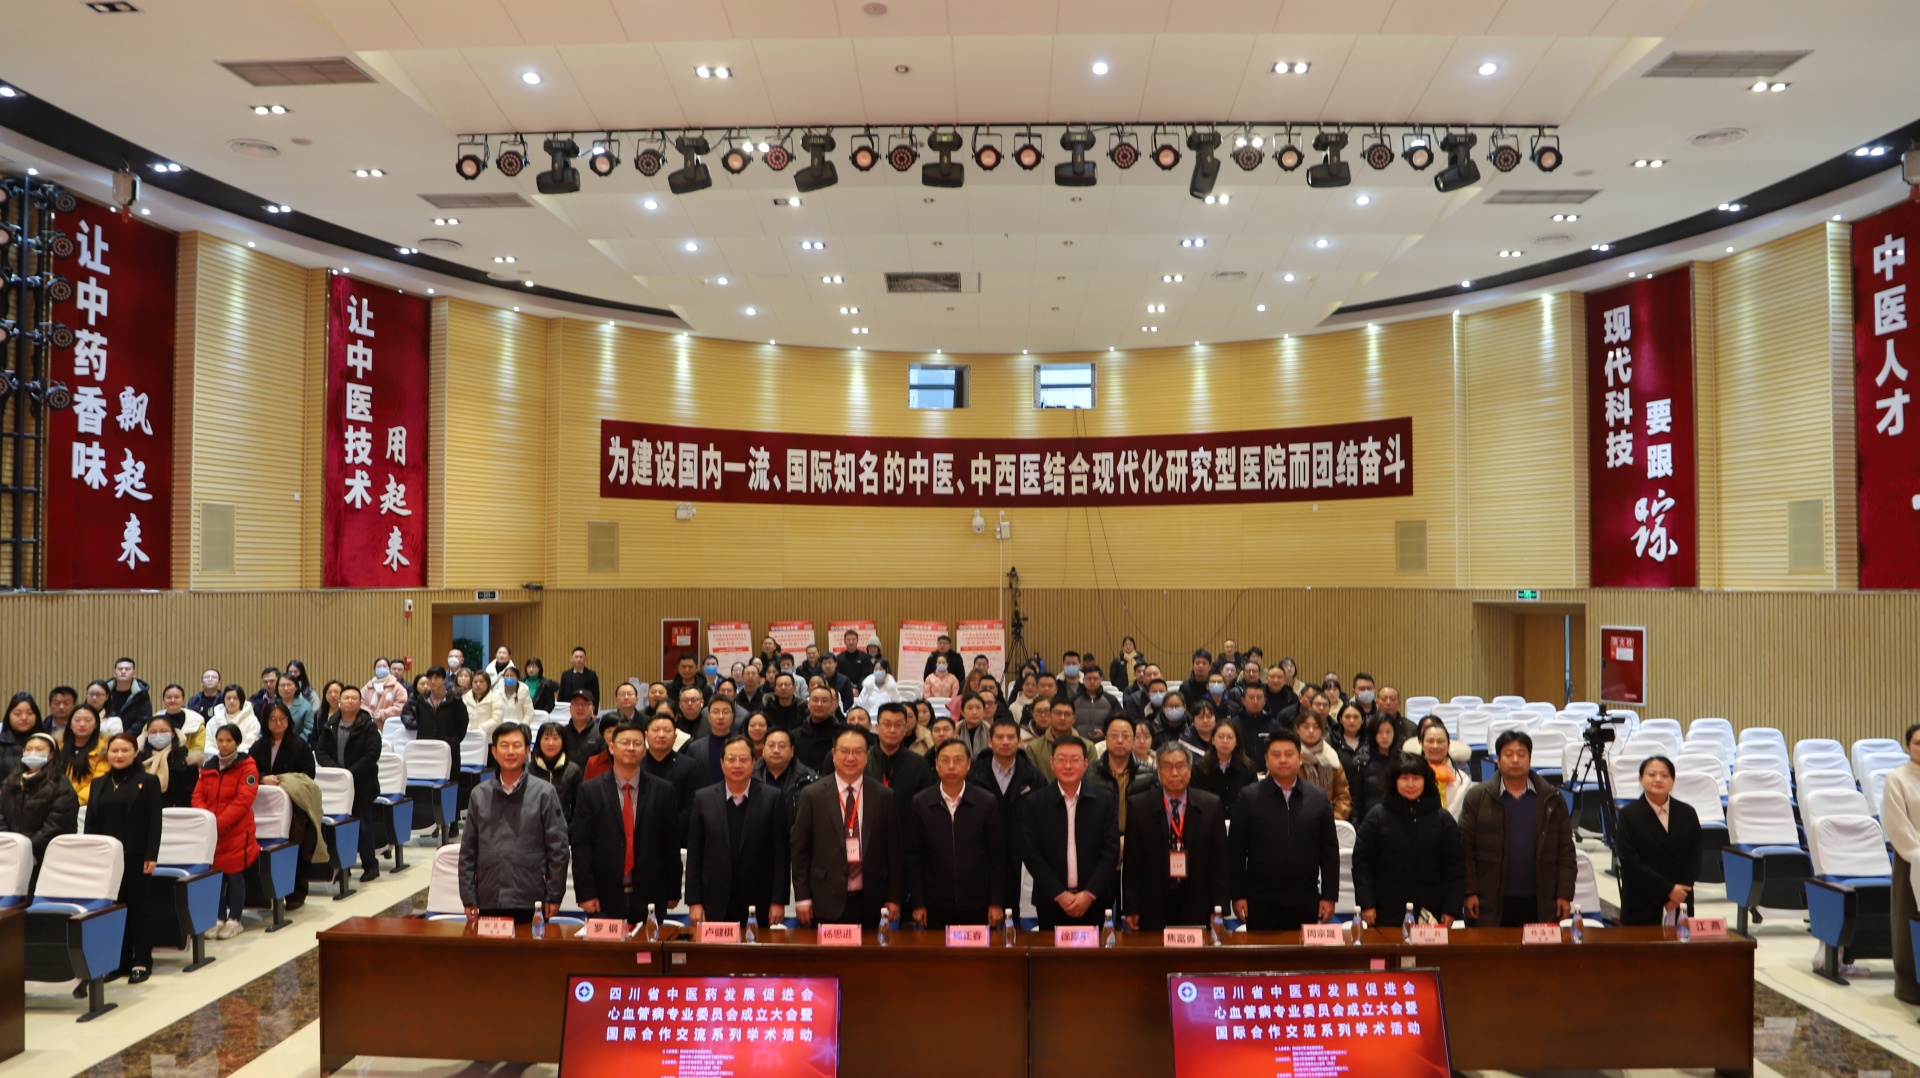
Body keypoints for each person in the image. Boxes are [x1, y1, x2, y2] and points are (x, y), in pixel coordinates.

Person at [1460, 730, 1576, 928]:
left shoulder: (1551, 798)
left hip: (1540, 899)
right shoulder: (1477, 797)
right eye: (1508, 754)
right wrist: (1469, 891)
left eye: (1521, 754)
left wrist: (1564, 894)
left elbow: (1566, 850)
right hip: (1490, 899)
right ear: (1498, 760)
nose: (1515, 760)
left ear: (1530, 759)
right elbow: (1465, 850)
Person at [569, 720, 681, 923]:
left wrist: (673, 891)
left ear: (644, 750)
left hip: (651, 895)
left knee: (648, 946)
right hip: (603, 896)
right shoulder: (590, 790)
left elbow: (670, 845)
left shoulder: (663, 790)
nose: (631, 748)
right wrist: (585, 893)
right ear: (612, 747)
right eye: (624, 742)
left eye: (637, 743)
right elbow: (581, 846)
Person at [792, 726, 902, 929]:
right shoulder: (812, 795)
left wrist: (894, 897)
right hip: (824, 899)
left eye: (858, 751)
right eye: (845, 751)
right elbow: (800, 851)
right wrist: (802, 897)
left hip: (872, 901)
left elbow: (893, 850)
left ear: (867, 755)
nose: (851, 757)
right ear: (834, 754)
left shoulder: (883, 795)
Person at [458, 723, 570, 922]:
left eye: (517, 745)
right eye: (504, 745)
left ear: (527, 751)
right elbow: (468, 851)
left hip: (531, 896)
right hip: (489, 896)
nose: (510, 751)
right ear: (494, 752)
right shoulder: (479, 794)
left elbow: (558, 848)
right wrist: (468, 897)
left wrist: (554, 894)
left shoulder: (544, 792)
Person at [1229, 730, 1340, 930]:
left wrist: (1329, 896)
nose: (1282, 760)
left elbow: (1329, 852)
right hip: (1260, 901)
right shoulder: (1249, 797)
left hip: (1306, 899)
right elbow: (1236, 851)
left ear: (1300, 757)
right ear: (1266, 759)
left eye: (1289, 754)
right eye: (1276, 754)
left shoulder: (1317, 797)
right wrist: (1237, 895)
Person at [1352, 753, 1467, 928]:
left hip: (1431, 912)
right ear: (1394, 781)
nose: (1411, 784)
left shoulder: (1443, 820)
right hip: (1386, 911)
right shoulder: (1376, 817)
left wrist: (1451, 908)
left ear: (1426, 780)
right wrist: (1366, 903)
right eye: (1404, 778)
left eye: (1416, 778)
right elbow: (1362, 864)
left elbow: (1455, 867)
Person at [686, 737, 790, 931]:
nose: (737, 765)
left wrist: (778, 901)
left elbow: (781, 855)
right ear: (721, 763)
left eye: (743, 759)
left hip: (759, 901)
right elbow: (694, 854)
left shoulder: (772, 798)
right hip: (713, 901)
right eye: (731, 759)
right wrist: (694, 901)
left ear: (754, 762)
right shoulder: (703, 798)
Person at [1124, 744, 1229, 932]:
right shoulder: (1138, 806)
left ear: (1190, 769)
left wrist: (1219, 906)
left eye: (1180, 766)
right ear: (1158, 771)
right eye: (1167, 767)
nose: (1174, 773)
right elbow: (1132, 862)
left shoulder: (1211, 805)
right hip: (1153, 903)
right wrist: (1131, 907)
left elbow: (1220, 862)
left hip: (1198, 901)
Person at [84, 732, 163, 982]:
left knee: (139, 908)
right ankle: (119, 961)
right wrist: (91, 853)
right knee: (114, 909)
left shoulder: (147, 781)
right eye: (114, 750)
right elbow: (91, 822)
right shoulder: (99, 783)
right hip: (107, 859)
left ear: (135, 753)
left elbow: (155, 822)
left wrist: (151, 854)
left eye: (125, 750)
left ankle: (142, 960)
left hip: (136, 855)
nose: (119, 755)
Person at [908, 738, 1005, 929]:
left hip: (978, 903)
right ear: (936, 765)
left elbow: (997, 857)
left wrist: (996, 902)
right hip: (935, 904)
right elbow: (914, 857)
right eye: (945, 760)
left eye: (958, 760)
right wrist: (918, 903)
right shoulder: (921, 802)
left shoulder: (986, 802)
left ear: (968, 764)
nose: (951, 766)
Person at [1021, 737, 1118, 929]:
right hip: (1051, 902)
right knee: (1051, 950)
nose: (1067, 766)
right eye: (1061, 759)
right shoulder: (1035, 803)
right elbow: (1031, 853)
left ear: (1085, 764)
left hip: (1094, 901)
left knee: (1094, 950)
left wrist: (1089, 894)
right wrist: (1059, 895)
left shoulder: (1104, 800)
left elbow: (1110, 850)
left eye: (1074, 760)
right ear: (1052, 763)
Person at [1614, 755, 1701, 927]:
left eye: (1665, 775)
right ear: (1641, 779)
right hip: (1642, 901)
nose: (1658, 779)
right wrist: (1668, 890)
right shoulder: (1628, 815)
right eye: (1652, 774)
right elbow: (1630, 861)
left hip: (1681, 898)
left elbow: (1695, 856)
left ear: (1673, 781)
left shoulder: (1687, 813)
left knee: (1681, 942)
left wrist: (1679, 892)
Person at [192, 724, 259, 939]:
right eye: (220, 740)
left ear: (237, 742)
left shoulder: (247, 766)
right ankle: (218, 917)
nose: (224, 744)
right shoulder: (209, 766)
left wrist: (218, 823)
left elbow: (243, 801)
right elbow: (198, 795)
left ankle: (235, 919)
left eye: (229, 740)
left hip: (237, 830)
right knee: (216, 877)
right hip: (211, 832)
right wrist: (207, 820)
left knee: (234, 875)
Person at [314, 686, 383, 882]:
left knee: (364, 827)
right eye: (346, 698)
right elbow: (320, 752)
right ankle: (344, 866)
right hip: (338, 787)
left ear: (360, 703)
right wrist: (339, 773)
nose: (350, 701)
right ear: (339, 702)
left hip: (362, 785)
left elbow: (372, 754)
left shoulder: (368, 726)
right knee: (340, 828)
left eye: (354, 698)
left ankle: (370, 865)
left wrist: (350, 773)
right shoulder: (330, 725)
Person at [1, 732, 77, 870]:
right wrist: (10, 844)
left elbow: (56, 826)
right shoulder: (10, 782)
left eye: (39, 749)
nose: (33, 753)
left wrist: (26, 848)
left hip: (44, 856)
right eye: (28, 749)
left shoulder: (61, 785)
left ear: (51, 755)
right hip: (9, 852)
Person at [1883, 724, 1920, 1003]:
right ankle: (1910, 988)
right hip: (1912, 860)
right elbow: (1898, 825)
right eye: (1918, 743)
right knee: (1908, 924)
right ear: (1907, 746)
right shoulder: (1896, 779)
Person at [866, 703, 935, 853]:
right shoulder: (863, 761)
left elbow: (927, 806)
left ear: (905, 729)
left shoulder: (919, 764)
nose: (892, 730)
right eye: (887, 724)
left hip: (906, 842)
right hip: (868, 840)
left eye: (898, 725)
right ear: (877, 728)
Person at [1089, 715, 1156, 837]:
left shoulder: (1149, 773)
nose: (1120, 740)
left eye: (1125, 736)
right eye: (1114, 735)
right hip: (1101, 840)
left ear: (1133, 739)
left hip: (1137, 840)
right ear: (1105, 738)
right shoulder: (1090, 774)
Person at [639, 713, 701, 845]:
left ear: (675, 736)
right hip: (640, 839)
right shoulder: (636, 765)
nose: (661, 735)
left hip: (678, 840)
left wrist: (668, 832)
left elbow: (691, 809)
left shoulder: (689, 765)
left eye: (667, 730)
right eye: (656, 730)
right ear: (646, 735)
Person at [137, 694, 196, 808]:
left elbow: (189, 794)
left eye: (163, 731)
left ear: (173, 734)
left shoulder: (185, 758)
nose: (158, 735)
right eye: (153, 732)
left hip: (176, 811)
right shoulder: (138, 759)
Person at [1293, 711, 1353, 821]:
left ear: (1322, 730)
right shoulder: (1289, 756)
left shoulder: (1331, 757)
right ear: (1297, 729)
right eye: (1306, 727)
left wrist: (1335, 818)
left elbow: (1343, 795)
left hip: (1328, 818)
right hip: (1295, 820)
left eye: (1316, 727)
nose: (1311, 731)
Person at [1024, 697, 1096, 784]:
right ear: (1049, 716)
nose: (1062, 718)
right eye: (1058, 713)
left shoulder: (1088, 747)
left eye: (1067, 714)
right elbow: (1033, 780)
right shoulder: (1034, 747)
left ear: (1074, 718)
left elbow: (1092, 780)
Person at [1191, 720, 1255, 816]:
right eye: (1220, 737)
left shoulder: (1248, 767)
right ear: (1213, 740)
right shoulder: (1200, 767)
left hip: (1240, 820)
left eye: (1230, 737)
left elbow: (1253, 799)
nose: (1225, 741)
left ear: (1236, 741)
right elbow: (1195, 799)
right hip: (1209, 819)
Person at [752, 727, 817, 822]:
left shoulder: (808, 780)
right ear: (763, 750)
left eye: (782, 746)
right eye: (771, 745)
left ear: (792, 751)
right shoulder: (749, 776)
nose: (776, 750)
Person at [1351, 713, 1402, 822]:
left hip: (1398, 820)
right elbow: (1356, 800)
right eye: (1379, 732)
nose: (1384, 736)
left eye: (1388, 732)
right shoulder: (1360, 762)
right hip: (1370, 820)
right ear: (1373, 733)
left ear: (1395, 733)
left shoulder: (1403, 760)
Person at [250, 702, 317, 785]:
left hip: (291, 790)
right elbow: (248, 771)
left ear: (288, 719)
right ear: (266, 722)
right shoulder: (258, 746)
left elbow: (309, 773)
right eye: (273, 719)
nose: (278, 723)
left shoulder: (299, 745)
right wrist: (262, 778)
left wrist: (286, 781)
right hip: (263, 790)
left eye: (282, 718)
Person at [529, 723, 583, 820]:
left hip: (564, 826)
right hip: (533, 826)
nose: (550, 743)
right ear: (538, 741)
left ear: (563, 741)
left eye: (555, 738)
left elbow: (578, 807)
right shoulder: (527, 770)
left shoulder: (573, 770)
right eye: (546, 738)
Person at [60, 703, 112, 806]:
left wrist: (73, 802)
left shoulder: (104, 751)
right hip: (58, 802)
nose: (82, 724)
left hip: (86, 805)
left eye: (88, 720)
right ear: (70, 724)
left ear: (96, 724)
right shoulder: (58, 747)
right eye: (77, 720)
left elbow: (98, 783)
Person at [683, 695, 740, 787]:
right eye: (716, 712)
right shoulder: (695, 747)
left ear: (733, 716)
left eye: (725, 712)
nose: (721, 716)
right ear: (709, 716)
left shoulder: (743, 746)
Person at [1417, 718, 1469, 817]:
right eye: (1430, 741)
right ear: (1422, 745)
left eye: (1440, 741)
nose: (1435, 746)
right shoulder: (1411, 777)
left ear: (1448, 745)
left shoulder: (1463, 780)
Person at [792, 685, 844, 774]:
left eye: (824, 700)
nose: (819, 704)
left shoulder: (842, 735)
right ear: (808, 704)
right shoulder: (795, 736)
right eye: (815, 700)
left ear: (832, 705)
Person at [105, 658, 153, 733]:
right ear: (114, 673)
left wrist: (125, 736)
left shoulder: (141, 694)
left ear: (134, 674)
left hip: (131, 737)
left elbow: (143, 720)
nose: (123, 671)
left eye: (127, 669)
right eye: (120, 669)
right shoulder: (102, 692)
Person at [0, 693, 41, 778]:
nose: (24, 717)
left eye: (29, 713)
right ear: (9, 716)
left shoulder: (48, 742)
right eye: (17, 714)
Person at [211, 684, 261, 753]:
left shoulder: (252, 721)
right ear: (223, 700)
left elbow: (250, 744)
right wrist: (221, 755)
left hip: (243, 757)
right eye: (228, 698)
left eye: (235, 698)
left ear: (241, 700)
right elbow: (209, 745)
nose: (231, 701)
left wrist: (233, 755)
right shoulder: (213, 721)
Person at [361, 658, 408, 730]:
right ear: (374, 669)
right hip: (368, 726)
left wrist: (383, 714)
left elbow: (401, 706)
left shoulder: (397, 687)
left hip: (389, 727)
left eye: (384, 666)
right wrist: (368, 713)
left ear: (389, 669)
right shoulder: (368, 687)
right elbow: (360, 703)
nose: (382, 668)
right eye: (379, 667)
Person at [276, 673, 316, 743]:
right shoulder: (273, 705)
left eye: (289, 685)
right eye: (282, 685)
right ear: (277, 688)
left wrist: (296, 743)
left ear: (296, 687)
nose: (286, 688)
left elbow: (309, 729)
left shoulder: (305, 705)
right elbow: (264, 728)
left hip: (298, 745)